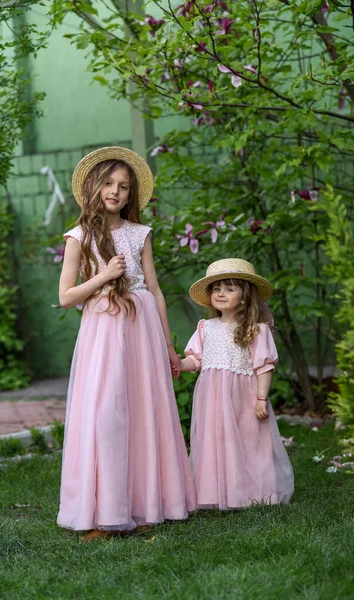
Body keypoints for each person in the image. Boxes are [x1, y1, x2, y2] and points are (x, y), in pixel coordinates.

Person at [57, 146, 196, 540]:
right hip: (103, 332)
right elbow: (67, 296)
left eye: (124, 186)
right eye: (109, 183)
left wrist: (170, 349)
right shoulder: (79, 235)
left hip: (142, 328)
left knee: (144, 410)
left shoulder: (139, 234)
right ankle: (104, 511)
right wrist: (104, 276)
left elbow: (155, 290)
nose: (116, 191)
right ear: (94, 186)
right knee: (105, 414)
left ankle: (148, 503)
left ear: (131, 195)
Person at [176, 258, 294, 510]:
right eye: (217, 289)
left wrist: (262, 397)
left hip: (244, 396)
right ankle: (215, 492)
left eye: (230, 289)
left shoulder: (255, 329)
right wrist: (178, 364)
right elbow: (195, 359)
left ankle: (256, 491)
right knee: (214, 441)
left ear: (244, 297)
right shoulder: (205, 327)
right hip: (211, 397)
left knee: (249, 440)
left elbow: (264, 366)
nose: (221, 293)